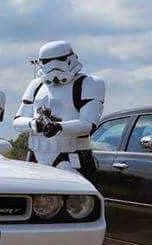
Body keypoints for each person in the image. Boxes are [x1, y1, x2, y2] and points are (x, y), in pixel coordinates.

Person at [13, 41, 105, 180]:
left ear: (70, 59)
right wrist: (34, 123)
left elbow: (89, 124)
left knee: (76, 192)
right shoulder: (36, 85)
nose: (54, 66)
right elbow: (17, 121)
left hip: (71, 156)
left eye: (60, 59)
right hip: (36, 156)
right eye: (47, 61)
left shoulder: (89, 83)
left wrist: (59, 127)